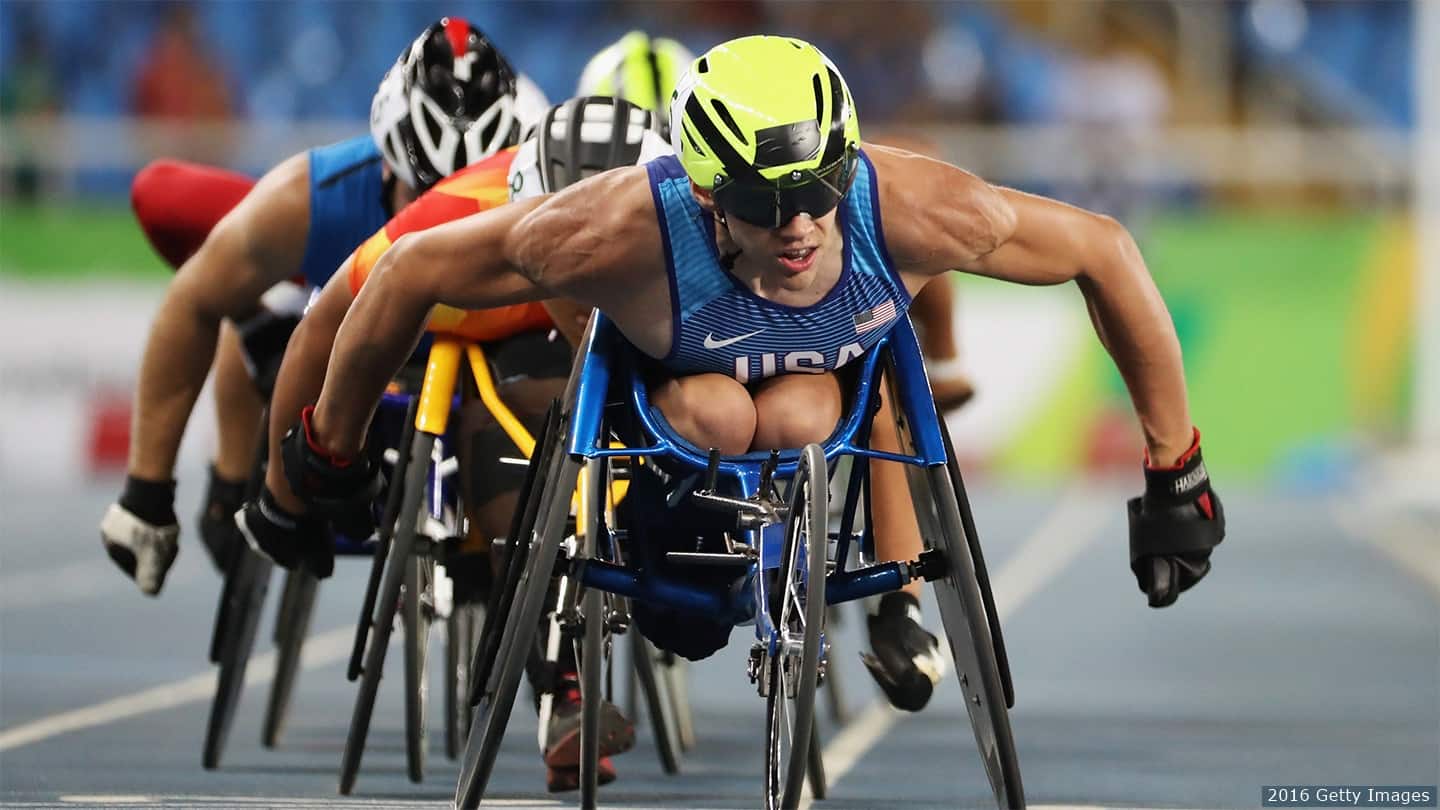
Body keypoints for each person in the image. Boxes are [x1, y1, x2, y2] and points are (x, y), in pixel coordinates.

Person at [272, 35, 1226, 716]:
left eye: (819, 191)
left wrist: (1174, 469)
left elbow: (1104, 250)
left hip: (818, 406)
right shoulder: (616, 228)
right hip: (680, 418)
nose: (801, 227)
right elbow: (406, 272)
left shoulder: (915, 208)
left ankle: (881, 604)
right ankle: (678, 539)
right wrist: (330, 446)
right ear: (705, 194)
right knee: (716, 410)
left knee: (803, 410)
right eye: (768, 206)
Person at [244, 95, 666, 792]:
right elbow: (321, 327)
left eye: (615, 254)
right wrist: (285, 495)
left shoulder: (707, 218)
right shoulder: (455, 218)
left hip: (580, 333)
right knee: (501, 415)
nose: (592, 276)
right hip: (471, 316)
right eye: (576, 254)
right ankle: (559, 681)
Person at [100, 18, 534, 595]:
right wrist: (149, 493)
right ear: (387, 164)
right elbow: (197, 299)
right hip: (345, 326)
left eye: (466, 205)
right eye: (422, 200)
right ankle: (233, 465)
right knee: (189, 232)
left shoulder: (536, 199)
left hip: (486, 340)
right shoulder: (316, 201)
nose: (437, 228)